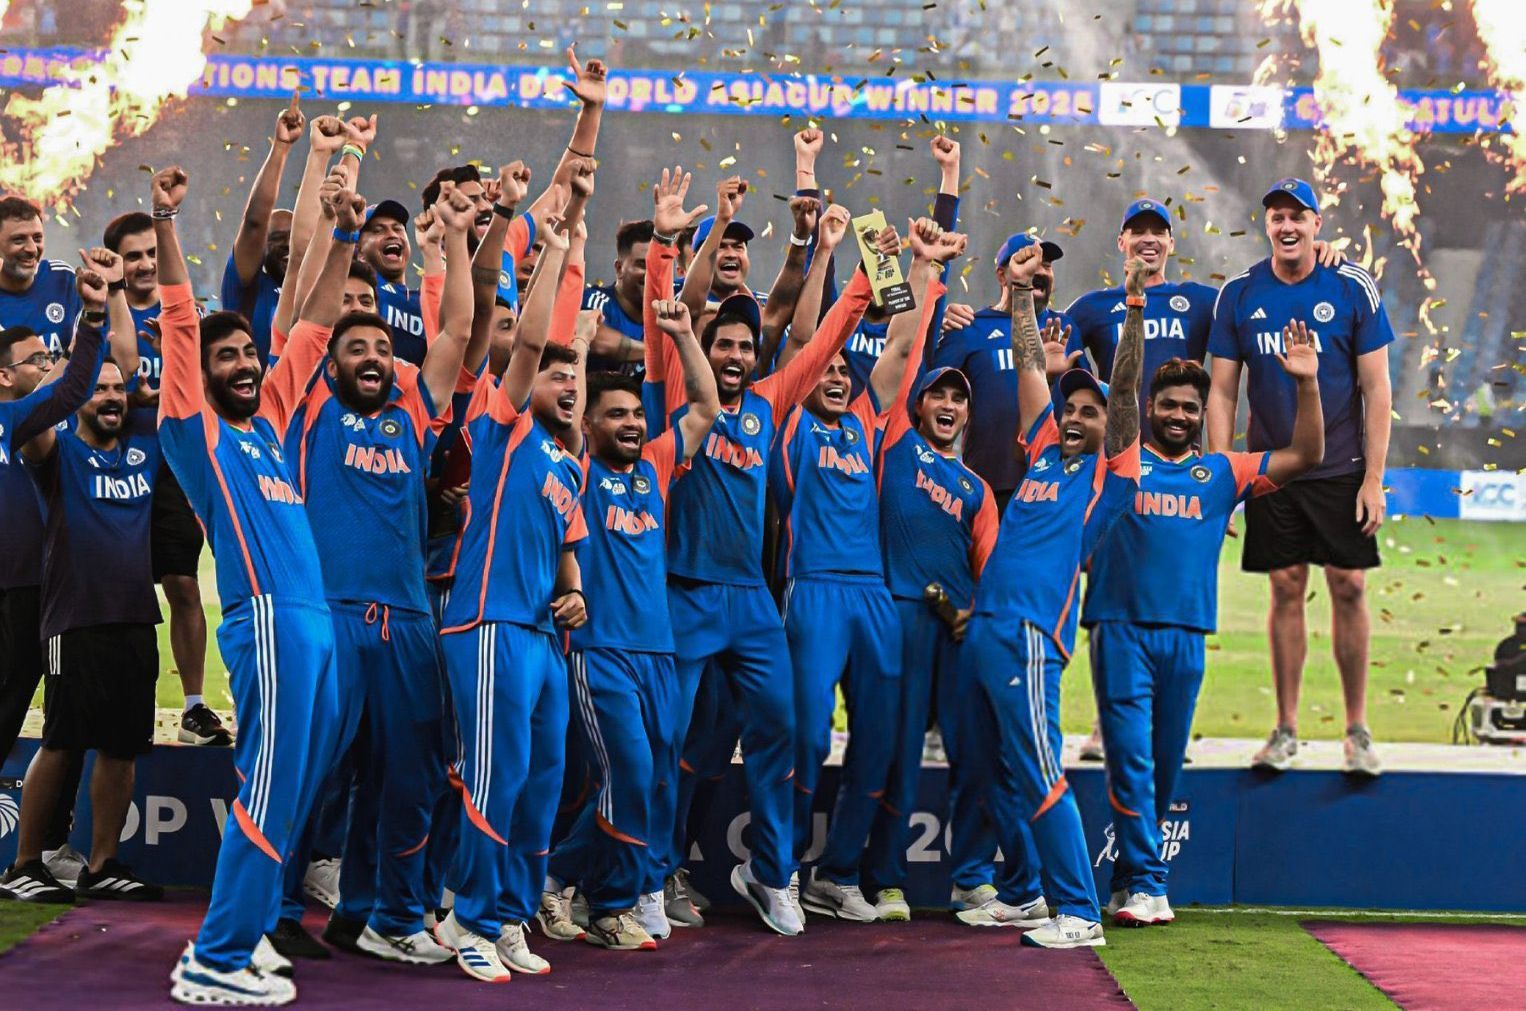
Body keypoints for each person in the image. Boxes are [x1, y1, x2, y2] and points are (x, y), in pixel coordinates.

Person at [649, 166, 886, 937]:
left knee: (785, 730)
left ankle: (772, 871)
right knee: (667, 738)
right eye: (724, 342)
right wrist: (666, 241)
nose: (736, 354)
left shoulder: (771, 402)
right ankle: (650, 876)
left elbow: (824, 343)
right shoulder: (677, 396)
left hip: (751, 600)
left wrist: (857, 267)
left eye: (747, 345)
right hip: (683, 592)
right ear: (705, 346)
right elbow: (667, 316)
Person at [154, 164, 338, 1007]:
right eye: (225, 355)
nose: (241, 361)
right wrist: (166, 225)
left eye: (247, 353)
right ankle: (215, 956)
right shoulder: (196, 435)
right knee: (267, 782)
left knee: (297, 785)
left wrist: (336, 226)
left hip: (315, 622)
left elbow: (318, 325)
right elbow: (182, 320)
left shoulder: (265, 423)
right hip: (267, 617)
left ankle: (255, 927)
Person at [1084, 344, 1324, 928]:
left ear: (1201, 414)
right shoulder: (1119, 462)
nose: (1179, 415)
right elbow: (1114, 399)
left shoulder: (1221, 472)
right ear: (1149, 407)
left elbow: (1307, 455)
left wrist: (1309, 384)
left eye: (1190, 408)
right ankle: (1149, 883)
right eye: (1168, 405)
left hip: (1187, 637)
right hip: (1120, 628)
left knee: (1163, 768)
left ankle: (1124, 880)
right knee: (1131, 761)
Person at [777, 218, 964, 922]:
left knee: (883, 739)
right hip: (815, 589)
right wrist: (829, 256)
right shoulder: (791, 418)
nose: (831, 376)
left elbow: (904, 341)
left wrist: (919, 265)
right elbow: (807, 341)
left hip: (874, 596)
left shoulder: (864, 419)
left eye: (839, 372)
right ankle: (783, 867)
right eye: (822, 371)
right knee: (805, 736)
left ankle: (838, 870)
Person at [432, 163, 593, 984]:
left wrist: (573, 589)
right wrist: (560, 253)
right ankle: (465, 910)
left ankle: (508, 912)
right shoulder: (501, 428)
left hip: (539, 634)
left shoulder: (570, 463)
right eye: (554, 375)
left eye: (573, 376)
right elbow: (529, 340)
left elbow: (570, 545)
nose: (562, 381)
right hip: (487, 624)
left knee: (540, 781)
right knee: (493, 776)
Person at [960, 246, 1146, 950]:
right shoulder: (1043, 449)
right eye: (1073, 407)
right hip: (986, 626)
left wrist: (1130, 312)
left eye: (1089, 411)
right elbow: (1031, 360)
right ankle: (1025, 891)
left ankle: (1081, 913)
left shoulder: (1112, 474)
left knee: (1038, 770)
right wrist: (1019, 293)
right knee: (999, 769)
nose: (1076, 416)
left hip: (1033, 635)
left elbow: (1124, 392)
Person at [547, 293, 719, 950]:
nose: (629, 422)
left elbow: (704, 406)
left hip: (659, 654)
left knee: (648, 780)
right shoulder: (579, 467)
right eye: (613, 414)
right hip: (599, 651)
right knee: (626, 769)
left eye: (634, 414)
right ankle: (582, 884)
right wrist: (584, 345)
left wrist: (680, 334)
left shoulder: (654, 466)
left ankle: (588, 889)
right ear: (588, 426)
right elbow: (566, 411)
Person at [1206, 177, 1394, 777]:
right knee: (1285, 587)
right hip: (1271, 472)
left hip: (1341, 469)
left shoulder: (1351, 284)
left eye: (1298, 216)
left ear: (1317, 224)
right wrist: (1220, 476)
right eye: (1277, 217)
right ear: (1266, 225)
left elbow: (1377, 388)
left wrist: (1374, 479)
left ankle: (1357, 730)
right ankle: (1286, 729)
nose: (1287, 226)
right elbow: (1222, 392)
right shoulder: (1239, 292)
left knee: (1349, 587)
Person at [12, 318, 165, 902]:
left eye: (115, 389)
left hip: (135, 621)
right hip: (73, 621)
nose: (110, 397)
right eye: (97, 389)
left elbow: (134, 363)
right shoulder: (55, 452)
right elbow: (35, 410)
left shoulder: (144, 447)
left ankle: (103, 864)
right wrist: (82, 343)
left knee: (122, 745)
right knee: (61, 741)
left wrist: (116, 309)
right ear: (79, 399)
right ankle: (24, 862)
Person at [101, 213, 234, 749]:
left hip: (176, 471)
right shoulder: (104, 311)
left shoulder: (189, 316)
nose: (145, 264)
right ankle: (115, 696)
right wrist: (134, 396)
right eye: (133, 255)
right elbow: (120, 374)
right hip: (116, 471)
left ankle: (195, 707)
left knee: (183, 584)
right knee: (121, 593)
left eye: (152, 253)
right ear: (117, 261)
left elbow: (212, 384)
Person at [0, 277, 109, 903]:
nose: (45, 366)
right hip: (12, 593)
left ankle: (33, 858)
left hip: (30, 592)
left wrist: (92, 317)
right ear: (5, 375)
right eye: (33, 360)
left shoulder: (13, 418)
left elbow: (72, 388)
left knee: (23, 715)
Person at [933, 232, 1074, 511]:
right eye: (1027, 260)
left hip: (1056, 485)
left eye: (1046, 264)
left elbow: (1090, 401)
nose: (1038, 270)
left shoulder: (1067, 328)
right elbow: (925, 392)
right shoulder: (969, 327)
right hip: (989, 484)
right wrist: (936, 320)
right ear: (1001, 275)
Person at [220, 97, 306, 363]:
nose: (288, 246)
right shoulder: (248, 287)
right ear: (261, 249)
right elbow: (255, 222)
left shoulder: (317, 291)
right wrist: (281, 148)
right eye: (278, 239)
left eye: (293, 238)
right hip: (256, 399)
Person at [580, 219, 652, 374]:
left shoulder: (667, 309)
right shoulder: (597, 300)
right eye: (642, 264)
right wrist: (659, 354)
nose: (651, 273)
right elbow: (595, 339)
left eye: (658, 266)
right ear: (619, 268)